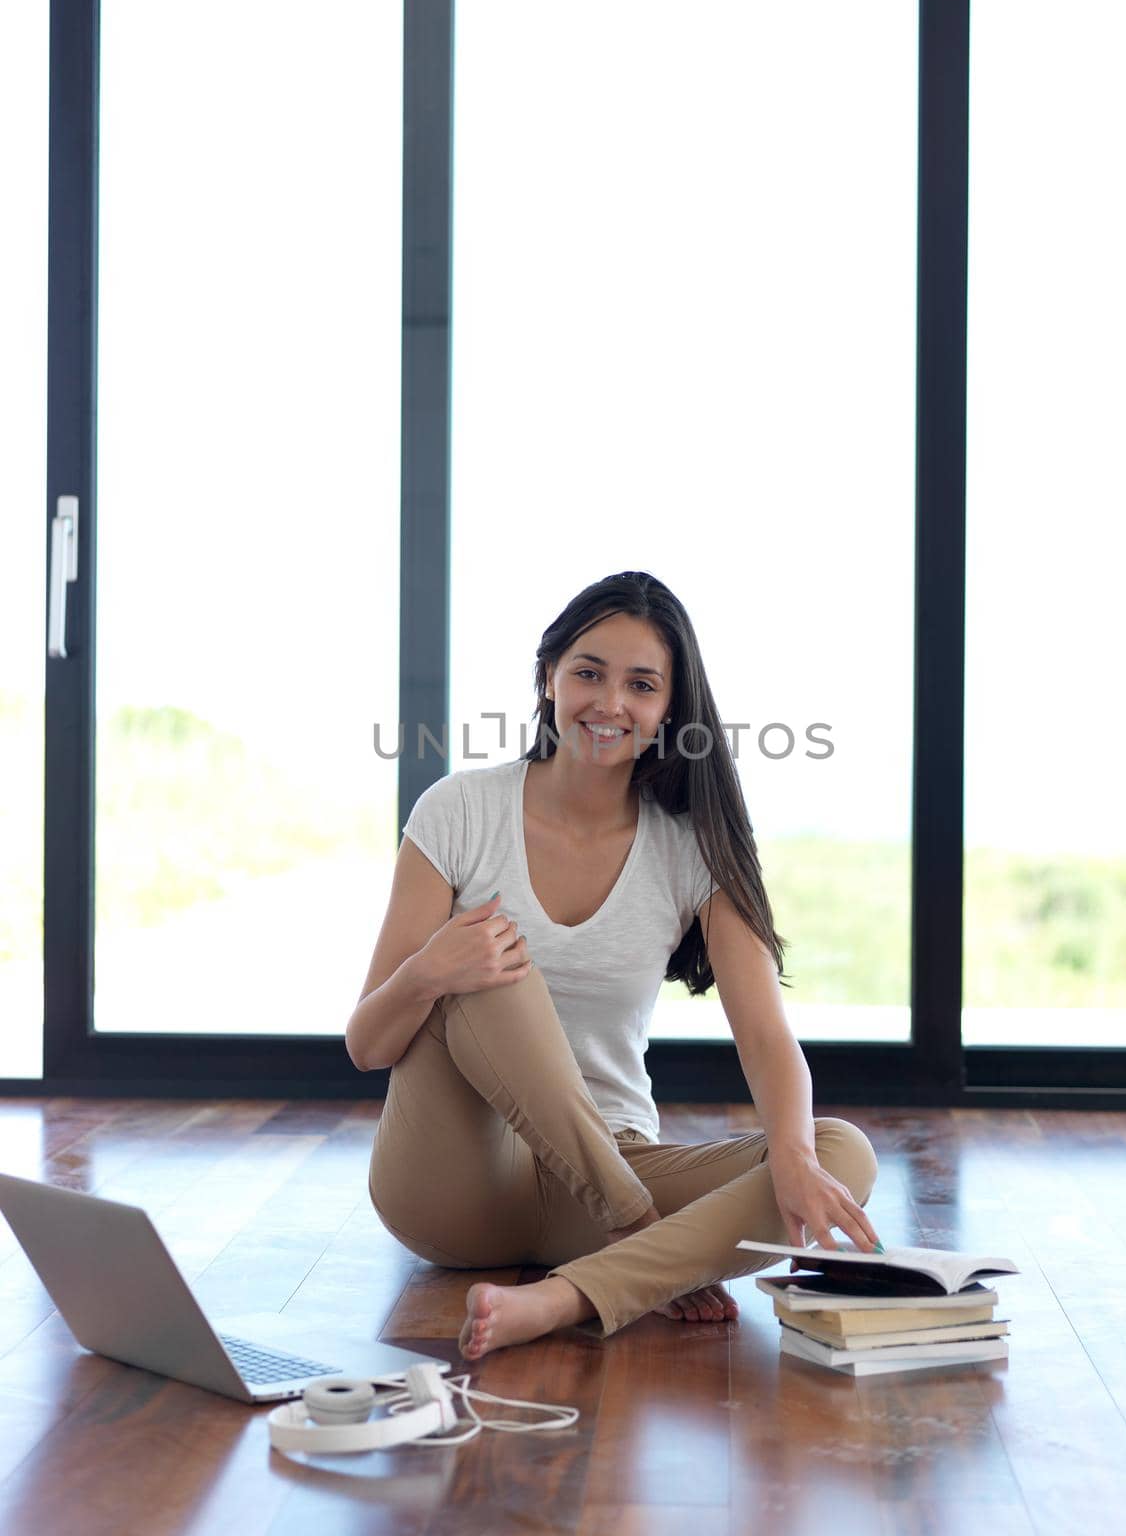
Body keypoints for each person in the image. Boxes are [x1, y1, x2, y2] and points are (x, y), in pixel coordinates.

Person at [347, 570, 880, 1360]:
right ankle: (639, 1244)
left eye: (641, 685)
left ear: (670, 710)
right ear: (547, 678)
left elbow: (767, 1039)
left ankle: (570, 1297)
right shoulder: (458, 811)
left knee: (839, 1154)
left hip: (607, 1166)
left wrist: (795, 1159)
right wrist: (431, 969)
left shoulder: (691, 845)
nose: (610, 704)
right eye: (588, 673)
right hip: (457, 1180)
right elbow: (368, 1045)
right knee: (491, 956)